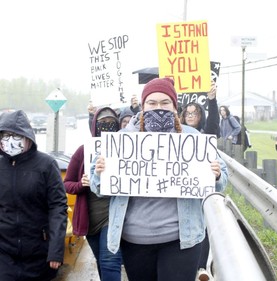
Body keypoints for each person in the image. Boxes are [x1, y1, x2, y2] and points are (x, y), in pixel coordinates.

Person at [90, 77, 228, 281]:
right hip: (134, 240)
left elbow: (223, 179)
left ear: (174, 107)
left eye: (165, 103)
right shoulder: (121, 139)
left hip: (181, 239)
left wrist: (215, 174)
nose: (158, 107)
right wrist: (100, 172)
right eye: (152, 103)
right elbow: (97, 187)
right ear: (143, 106)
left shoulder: (193, 138)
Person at [0, 110, 67, 281]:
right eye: (5, 135)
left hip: (39, 252)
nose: (10, 140)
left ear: (27, 136)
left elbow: (58, 207)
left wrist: (56, 250)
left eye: (15, 135)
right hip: (4, 254)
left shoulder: (46, 165)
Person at [64, 107, 123, 281]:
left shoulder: (125, 150)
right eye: (103, 123)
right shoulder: (83, 151)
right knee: (101, 261)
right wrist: (81, 184)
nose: (107, 126)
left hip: (113, 217)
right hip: (90, 220)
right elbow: (67, 183)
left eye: (112, 123)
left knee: (110, 261)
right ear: (94, 125)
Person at [179, 81, 220, 281]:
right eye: (188, 113)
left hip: (201, 188)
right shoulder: (174, 136)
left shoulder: (206, 134)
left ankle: (201, 268)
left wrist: (212, 100)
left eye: (195, 113)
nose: (191, 116)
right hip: (181, 188)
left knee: (201, 224)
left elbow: (213, 123)